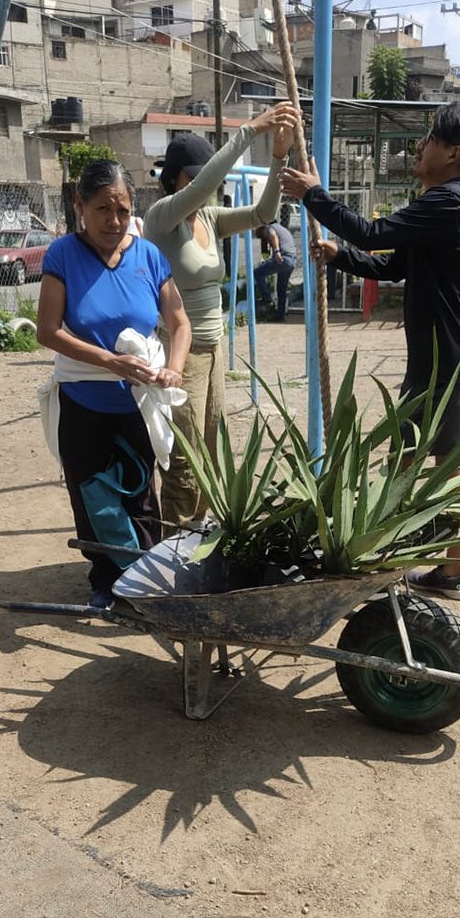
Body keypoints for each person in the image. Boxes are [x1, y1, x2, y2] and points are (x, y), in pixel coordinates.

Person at [281, 102, 460, 601]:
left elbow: (372, 232)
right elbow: (393, 265)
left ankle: (429, 571)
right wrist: (341, 256)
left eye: (429, 139)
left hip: (448, 360)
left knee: (434, 464)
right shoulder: (437, 204)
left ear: (453, 153)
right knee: (420, 459)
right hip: (437, 357)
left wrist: (315, 197)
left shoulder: (450, 202)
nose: (420, 147)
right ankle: (429, 568)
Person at [37, 160, 191, 609]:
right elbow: (48, 330)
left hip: (136, 403)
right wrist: (110, 360)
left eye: (122, 209)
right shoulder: (62, 254)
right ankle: (105, 579)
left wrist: (174, 368)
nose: (114, 220)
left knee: (141, 494)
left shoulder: (148, 256)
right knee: (92, 495)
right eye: (103, 209)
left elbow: (179, 323)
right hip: (84, 399)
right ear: (80, 206)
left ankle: (143, 581)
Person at [144, 102, 300, 529]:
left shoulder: (208, 219)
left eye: (203, 177)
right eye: (192, 177)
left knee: (211, 452)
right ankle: (174, 544)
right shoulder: (161, 219)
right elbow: (204, 185)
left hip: (213, 352)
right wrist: (250, 131)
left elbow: (263, 214)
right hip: (182, 354)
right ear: (174, 179)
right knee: (184, 458)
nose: (205, 188)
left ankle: (197, 533)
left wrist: (278, 157)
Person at [252, 218, 300, 321]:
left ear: (262, 226)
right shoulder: (281, 229)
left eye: (256, 229)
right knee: (281, 289)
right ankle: (280, 315)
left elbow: (273, 235)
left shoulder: (270, 228)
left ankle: (267, 299)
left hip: (283, 258)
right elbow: (269, 249)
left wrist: (277, 251)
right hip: (291, 261)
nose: (255, 231)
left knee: (257, 273)